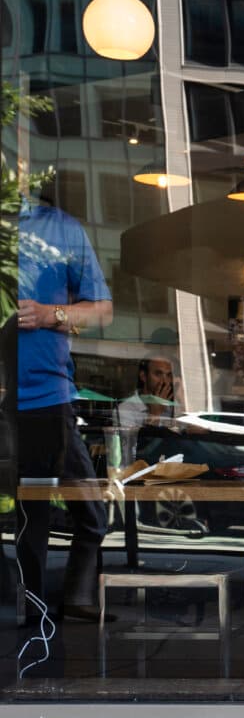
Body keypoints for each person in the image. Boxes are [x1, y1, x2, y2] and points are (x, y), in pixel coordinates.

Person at [15, 187, 114, 624]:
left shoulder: (60, 227)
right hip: (20, 400)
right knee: (28, 516)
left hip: (47, 397)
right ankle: (31, 611)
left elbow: (102, 312)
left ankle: (66, 601)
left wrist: (49, 314)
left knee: (87, 510)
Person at [117, 354, 176, 430]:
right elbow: (132, 440)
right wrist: (154, 414)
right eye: (158, 374)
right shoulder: (125, 409)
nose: (165, 381)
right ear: (143, 376)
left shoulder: (171, 407)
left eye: (169, 375)